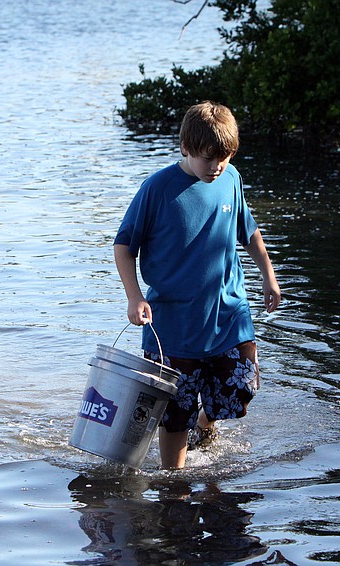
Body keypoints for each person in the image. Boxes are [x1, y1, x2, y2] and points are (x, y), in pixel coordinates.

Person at [114, 101, 281, 469]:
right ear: (186, 148)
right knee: (176, 411)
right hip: (174, 325)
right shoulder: (157, 189)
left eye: (225, 157)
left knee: (242, 388)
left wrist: (268, 276)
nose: (217, 166)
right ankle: (174, 480)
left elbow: (249, 232)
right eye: (209, 158)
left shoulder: (231, 179)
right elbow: (124, 246)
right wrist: (134, 297)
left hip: (228, 314)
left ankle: (205, 424)